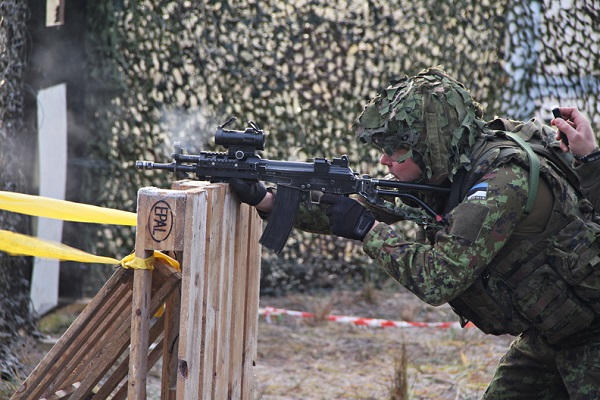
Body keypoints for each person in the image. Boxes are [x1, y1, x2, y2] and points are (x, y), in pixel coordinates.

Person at [231, 68, 600, 399]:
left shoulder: (501, 182)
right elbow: (364, 204)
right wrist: (267, 199)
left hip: (590, 334)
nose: (384, 161)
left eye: (397, 150)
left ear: (431, 144)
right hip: (551, 333)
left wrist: (366, 231)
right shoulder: (450, 168)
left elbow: (439, 277)